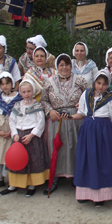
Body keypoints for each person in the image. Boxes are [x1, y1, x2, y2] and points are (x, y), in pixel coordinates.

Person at [68, 69, 112, 207]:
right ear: (94, 82)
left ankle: (101, 196)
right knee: (86, 161)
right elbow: (81, 113)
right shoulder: (86, 94)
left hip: (104, 133)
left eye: (104, 84)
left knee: (102, 162)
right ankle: (85, 194)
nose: (101, 86)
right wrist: (70, 117)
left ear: (108, 85)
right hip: (87, 132)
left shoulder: (111, 98)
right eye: (98, 83)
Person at [40, 54, 89, 195]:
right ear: (57, 67)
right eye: (61, 65)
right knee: (56, 149)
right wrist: (50, 112)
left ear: (71, 66)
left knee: (75, 147)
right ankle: (54, 179)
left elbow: (91, 94)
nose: (64, 67)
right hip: (57, 120)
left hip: (75, 120)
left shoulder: (80, 80)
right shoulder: (50, 82)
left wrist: (82, 104)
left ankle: (77, 178)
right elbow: (43, 100)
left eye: (67, 64)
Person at [0, 80, 50, 197]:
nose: (27, 94)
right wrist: (15, 134)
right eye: (24, 92)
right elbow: (12, 120)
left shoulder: (37, 106)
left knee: (32, 160)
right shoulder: (17, 106)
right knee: (16, 159)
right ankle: (13, 184)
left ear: (33, 91)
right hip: (19, 137)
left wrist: (32, 135)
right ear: (20, 93)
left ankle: (32, 185)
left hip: (32, 137)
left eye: (29, 91)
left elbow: (41, 122)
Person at [0, 72, 23, 188]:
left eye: (7, 83)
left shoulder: (18, 97)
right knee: (0, 152)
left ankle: (11, 177)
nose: (5, 86)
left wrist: (12, 131)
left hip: (12, 128)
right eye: (2, 84)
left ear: (12, 83)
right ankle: (0, 176)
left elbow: (21, 114)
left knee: (11, 153)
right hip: (1, 128)